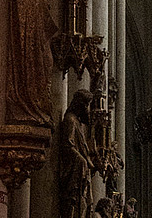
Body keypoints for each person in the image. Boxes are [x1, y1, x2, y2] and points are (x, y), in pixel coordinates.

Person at [58, 90, 95, 218]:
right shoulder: (70, 120)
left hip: (81, 172)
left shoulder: (78, 123)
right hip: (75, 173)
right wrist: (83, 161)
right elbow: (67, 145)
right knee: (74, 203)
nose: (87, 108)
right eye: (86, 104)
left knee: (84, 204)